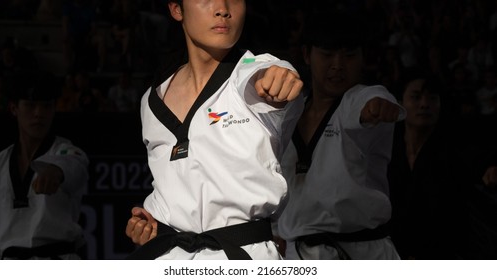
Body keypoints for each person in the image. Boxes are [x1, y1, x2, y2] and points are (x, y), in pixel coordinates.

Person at [124, 0, 304, 260]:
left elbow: (270, 74)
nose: (223, 8)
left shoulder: (252, 74)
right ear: (176, 10)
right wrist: (151, 223)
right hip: (168, 256)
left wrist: (281, 77)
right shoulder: (152, 100)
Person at [275, 10, 405, 260]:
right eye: (327, 54)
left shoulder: (358, 100)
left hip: (363, 253)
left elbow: (371, 101)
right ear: (307, 55)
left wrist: (378, 107)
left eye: (349, 55)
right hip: (297, 252)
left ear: (362, 59)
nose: (338, 65)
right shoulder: (291, 111)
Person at [388, 71, 497, 260]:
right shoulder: (386, 146)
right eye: (416, 97)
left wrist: (490, 169)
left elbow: (480, 162)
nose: (424, 104)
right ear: (400, 103)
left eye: (432, 98)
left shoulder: (454, 145)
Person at [0, 71, 89, 259]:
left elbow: (76, 167)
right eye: (31, 106)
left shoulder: (66, 152)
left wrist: (56, 171)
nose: (39, 113)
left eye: (46, 106)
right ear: (14, 108)